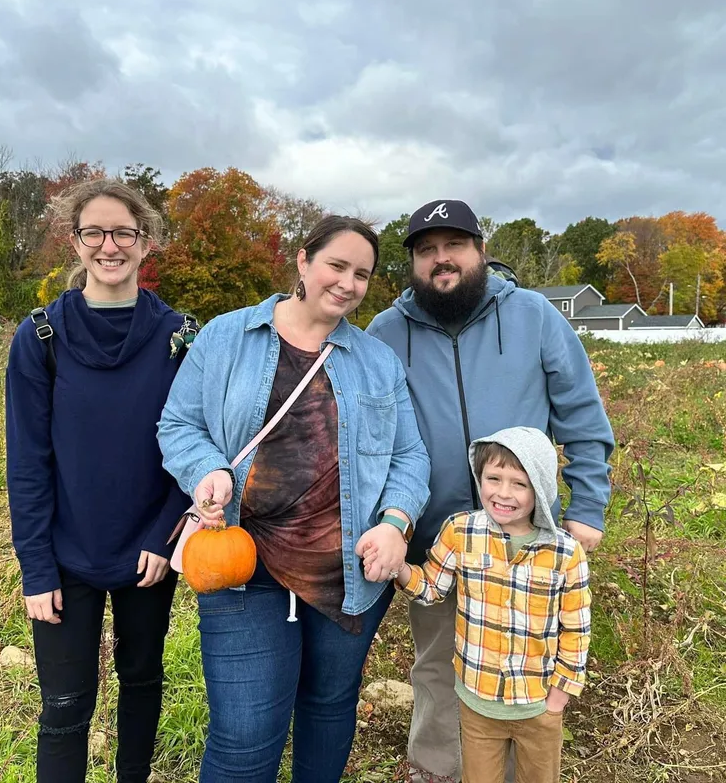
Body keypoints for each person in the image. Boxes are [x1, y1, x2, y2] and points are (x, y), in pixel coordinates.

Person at [157, 215, 431, 783]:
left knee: (329, 708)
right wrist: (207, 468)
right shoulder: (226, 337)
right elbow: (178, 424)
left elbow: (412, 456)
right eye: (337, 265)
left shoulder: (377, 361)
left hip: (348, 570)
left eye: (362, 274)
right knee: (245, 733)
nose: (348, 283)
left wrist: (395, 523)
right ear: (303, 260)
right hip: (242, 565)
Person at [366, 199, 614, 783]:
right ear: (413, 263)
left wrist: (589, 508)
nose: (441, 259)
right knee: (437, 662)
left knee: (524, 658)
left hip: (528, 540)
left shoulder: (531, 316)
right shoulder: (387, 331)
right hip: (436, 540)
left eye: (454, 245)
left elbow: (581, 413)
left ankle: (511, 769)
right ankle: (436, 767)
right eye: (426, 250)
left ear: (480, 251)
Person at [6, 179, 192, 783]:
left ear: (146, 243)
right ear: (75, 241)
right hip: (63, 557)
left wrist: (166, 536)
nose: (109, 246)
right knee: (63, 708)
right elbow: (28, 463)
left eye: (124, 233)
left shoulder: (180, 339)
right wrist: (36, 567)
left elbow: (194, 448)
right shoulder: (40, 338)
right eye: (95, 232)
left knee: (141, 683)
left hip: (148, 552)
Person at [364, 427, 591, 783]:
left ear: (541, 488)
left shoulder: (565, 552)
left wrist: (558, 697)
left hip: (537, 703)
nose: (503, 493)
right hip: (477, 703)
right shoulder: (461, 531)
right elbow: (431, 588)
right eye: (493, 478)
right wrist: (399, 568)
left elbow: (576, 628)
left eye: (519, 483)